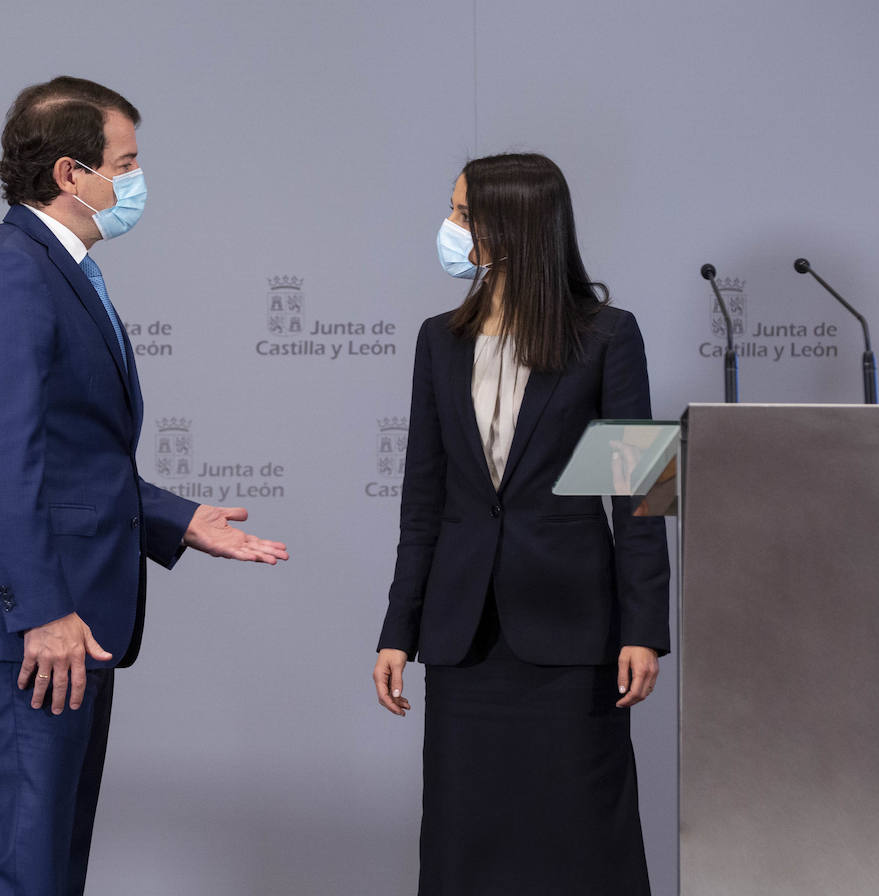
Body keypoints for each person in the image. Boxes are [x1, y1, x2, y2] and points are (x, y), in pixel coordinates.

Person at [0, 76, 289, 896]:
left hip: (67, 620)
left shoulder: (59, 268)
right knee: (24, 869)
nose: (136, 179)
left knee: (51, 867)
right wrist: (43, 612)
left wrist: (177, 518)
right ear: (69, 174)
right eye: (125, 163)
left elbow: (69, 457)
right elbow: (1, 457)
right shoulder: (11, 273)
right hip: (32, 628)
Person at [372, 153, 670, 895]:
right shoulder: (437, 339)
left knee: (580, 837)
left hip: (573, 633)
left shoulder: (609, 335)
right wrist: (396, 629)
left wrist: (645, 628)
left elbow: (642, 491)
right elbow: (424, 497)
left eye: (464, 213)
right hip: (465, 636)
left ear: (514, 224)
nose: (450, 228)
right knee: (464, 836)